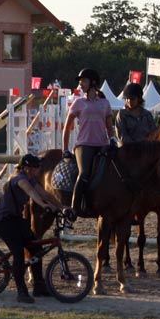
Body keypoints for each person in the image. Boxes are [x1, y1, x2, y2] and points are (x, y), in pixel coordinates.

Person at [0, 153, 66, 304]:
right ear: (27, 168)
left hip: (17, 220)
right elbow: (32, 194)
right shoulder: (19, 179)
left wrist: (62, 207)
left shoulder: (31, 179)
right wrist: (43, 204)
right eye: (36, 166)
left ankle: (39, 286)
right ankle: (21, 292)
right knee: (19, 254)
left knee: (36, 249)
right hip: (3, 221)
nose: (39, 168)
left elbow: (45, 194)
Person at [62, 68, 116, 218]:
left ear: (93, 82)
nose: (80, 83)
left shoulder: (105, 103)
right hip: (84, 145)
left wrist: (112, 140)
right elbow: (67, 127)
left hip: (102, 144)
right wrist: (65, 149)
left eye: (83, 80)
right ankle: (75, 207)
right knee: (84, 173)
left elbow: (109, 126)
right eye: (80, 81)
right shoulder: (78, 103)